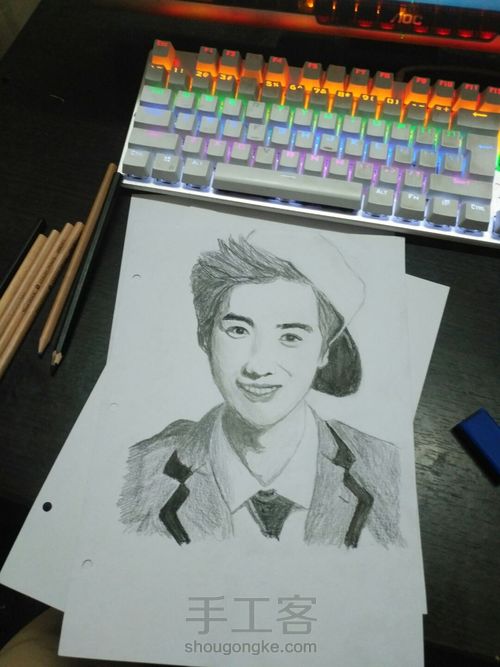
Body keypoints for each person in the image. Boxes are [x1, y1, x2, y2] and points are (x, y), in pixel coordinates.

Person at [118, 230, 403, 548]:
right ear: (205, 338)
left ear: (325, 351)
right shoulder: (139, 471)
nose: (258, 366)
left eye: (291, 337)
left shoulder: (386, 469)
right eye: (238, 330)